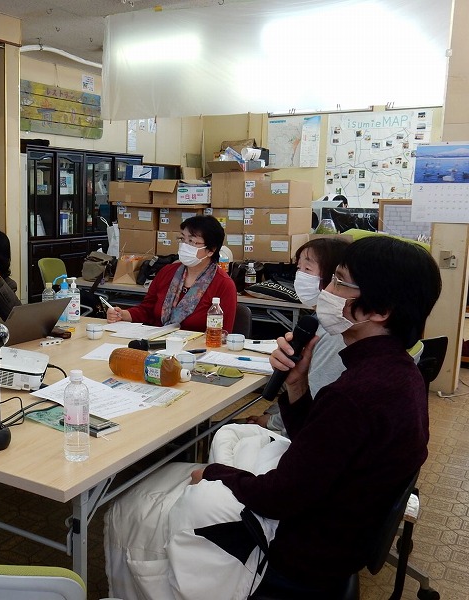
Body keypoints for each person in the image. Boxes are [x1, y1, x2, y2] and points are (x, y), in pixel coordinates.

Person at [105, 236, 441, 598]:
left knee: (133, 506)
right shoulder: (396, 372)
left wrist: (216, 473)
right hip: (336, 531)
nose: (327, 291)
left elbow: (282, 496)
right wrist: (297, 386)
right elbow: (320, 445)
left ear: (380, 310)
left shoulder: (358, 392)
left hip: (302, 553)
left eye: (340, 282)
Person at [247, 237, 350, 435]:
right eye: (298, 268)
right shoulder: (317, 320)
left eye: (308, 269)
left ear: (335, 277)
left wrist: (270, 422)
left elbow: (316, 400)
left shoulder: (333, 332)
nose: (300, 276)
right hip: (293, 419)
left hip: (304, 432)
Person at [106, 215, 237, 332]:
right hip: (157, 342)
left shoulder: (223, 285)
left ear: (211, 250)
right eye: (182, 239)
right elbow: (147, 310)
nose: (185, 245)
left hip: (197, 348)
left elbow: (223, 334)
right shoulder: (167, 272)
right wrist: (122, 314)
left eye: (192, 241)